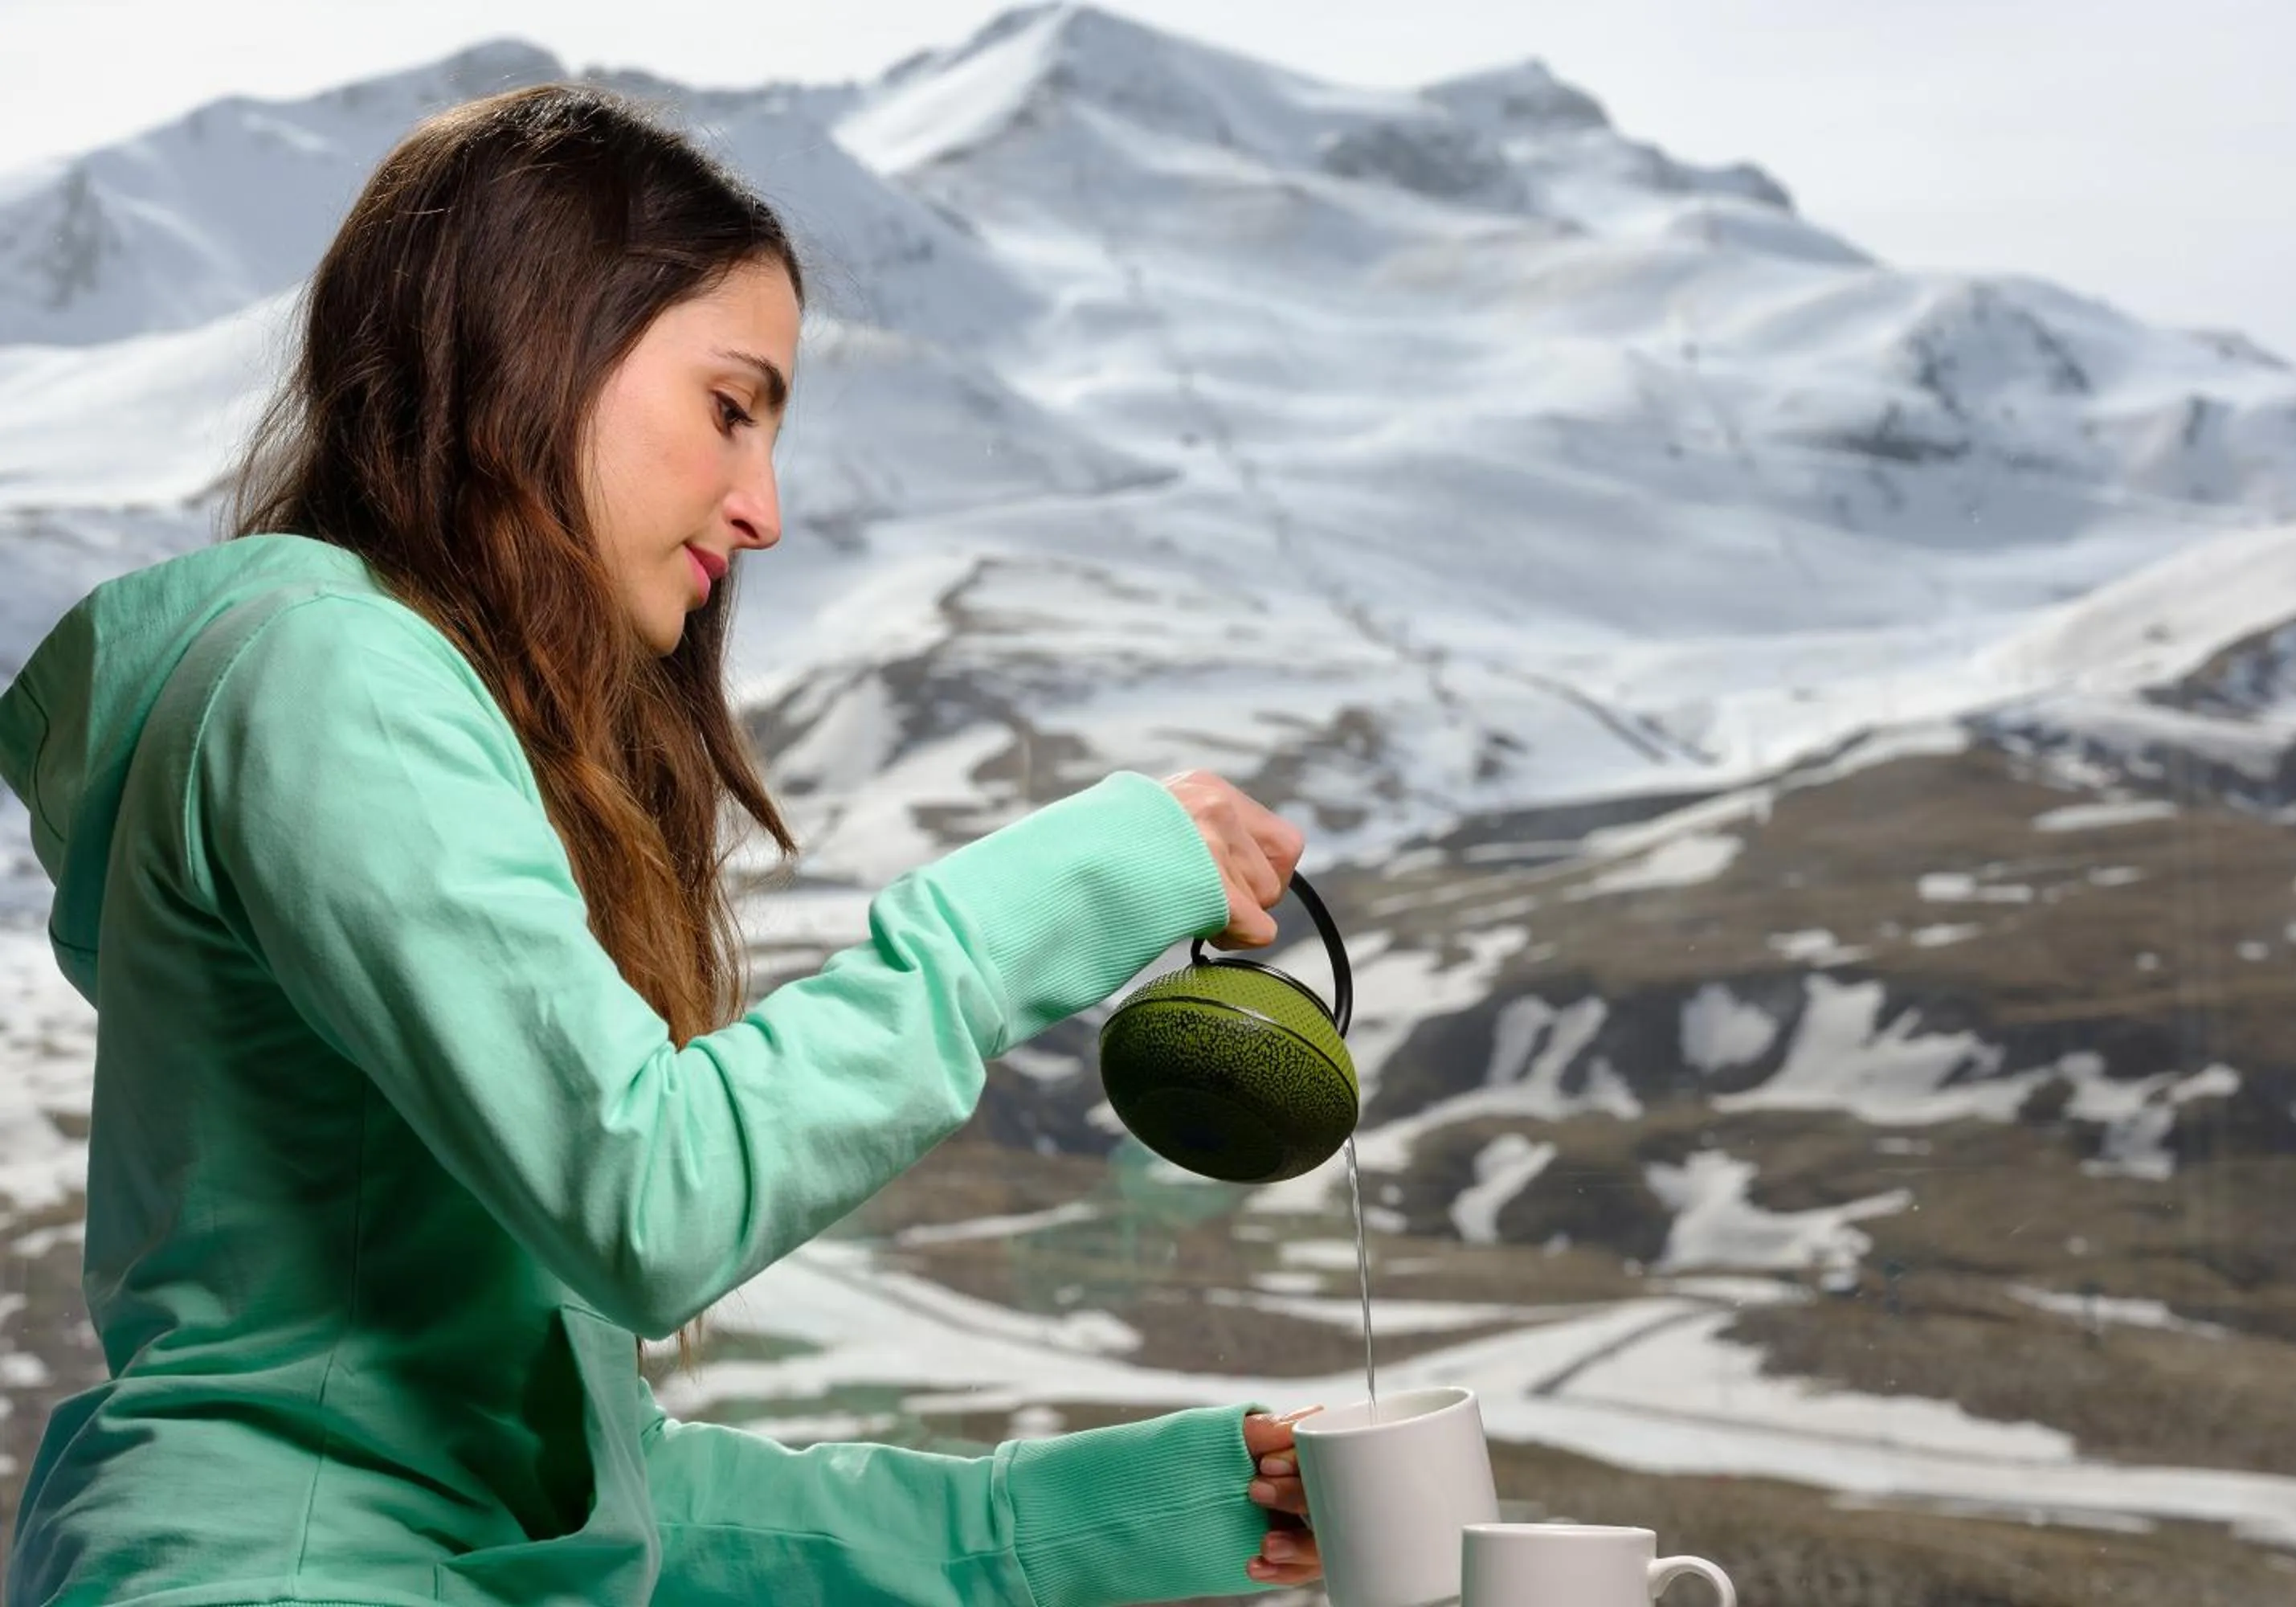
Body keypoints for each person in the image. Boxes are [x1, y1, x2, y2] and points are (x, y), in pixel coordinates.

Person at [0, 84, 1324, 1607]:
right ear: (535, 342)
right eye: (728, 405)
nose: (761, 510)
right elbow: (655, 1201)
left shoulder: (366, 708)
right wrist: (1072, 888)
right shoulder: (328, 678)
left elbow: (589, 1500)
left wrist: (1128, 1515)